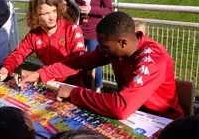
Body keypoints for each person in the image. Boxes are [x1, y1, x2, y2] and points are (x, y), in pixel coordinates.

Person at [20, 11, 184, 120]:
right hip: (132, 118)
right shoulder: (114, 50)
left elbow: (120, 107)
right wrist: (41, 74)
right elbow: (78, 61)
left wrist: (74, 93)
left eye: (104, 46)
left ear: (122, 42)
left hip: (162, 123)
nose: (101, 50)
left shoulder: (153, 59)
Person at [0, 0, 86, 87]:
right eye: (46, 14)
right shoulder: (34, 34)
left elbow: (76, 63)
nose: (52, 17)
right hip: (49, 82)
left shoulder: (72, 29)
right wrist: (6, 69)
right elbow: (18, 54)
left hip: (72, 85)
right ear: (36, 16)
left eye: (54, 11)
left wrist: (39, 74)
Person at [61, 0, 112, 92]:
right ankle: (81, 85)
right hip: (78, 30)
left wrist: (91, 9)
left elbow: (109, 9)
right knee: (78, 58)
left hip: (94, 31)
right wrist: (63, 3)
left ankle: (98, 87)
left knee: (95, 60)